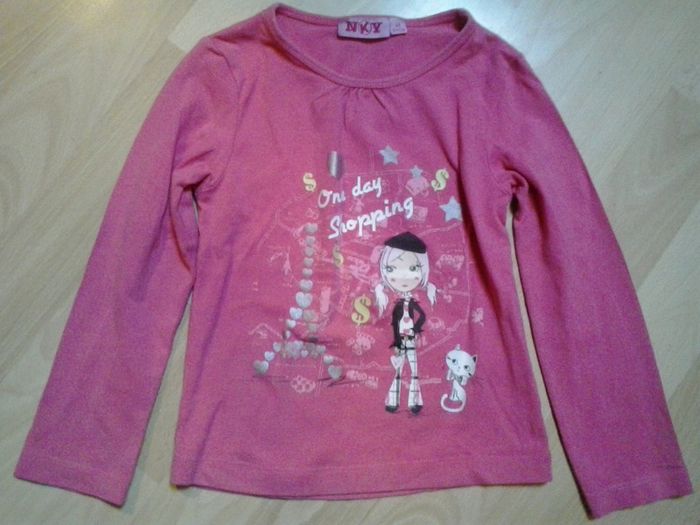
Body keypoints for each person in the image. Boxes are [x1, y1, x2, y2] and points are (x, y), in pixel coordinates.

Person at [374, 231, 437, 413]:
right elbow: (395, 324)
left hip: (410, 340)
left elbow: (422, 316)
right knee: (398, 370)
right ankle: (392, 401)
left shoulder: (412, 303)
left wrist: (415, 330)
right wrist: (397, 342)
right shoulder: (398, 305)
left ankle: (415, 402)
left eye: (413, 268)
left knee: (414, 370)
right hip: (401, 341)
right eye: (391, 269)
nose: (402, 277)